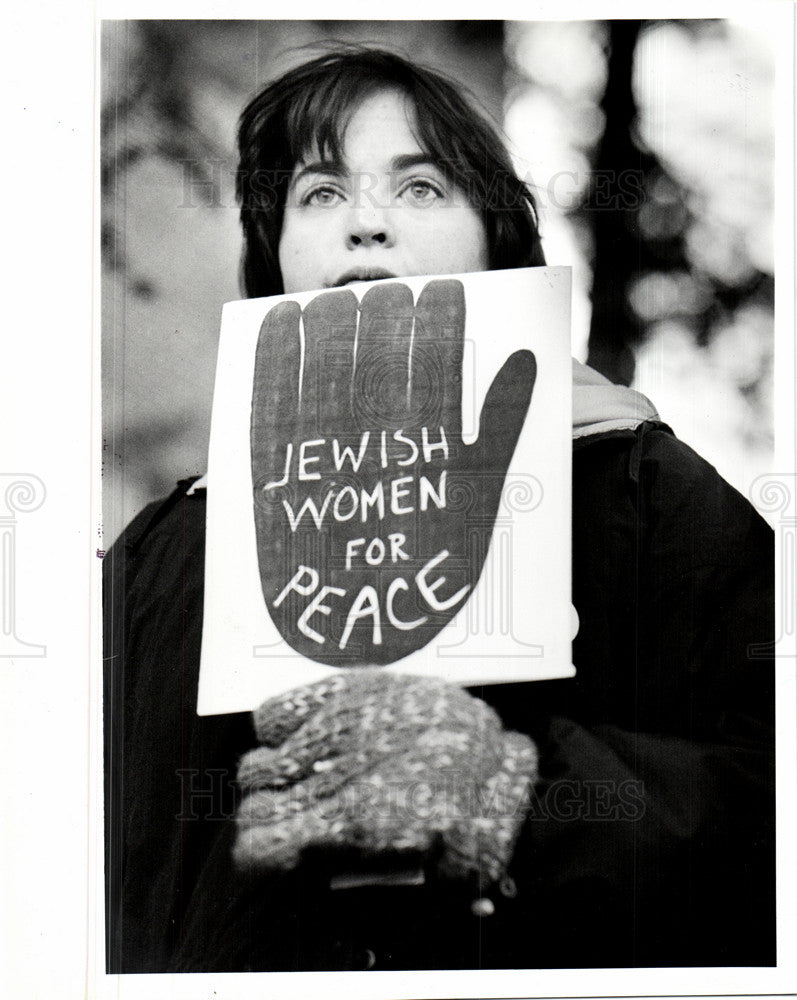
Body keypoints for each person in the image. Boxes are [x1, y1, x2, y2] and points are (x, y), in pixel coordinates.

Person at [104, 47, 775, 974]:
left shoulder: (644, 494)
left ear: (498, 245)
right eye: (321, 195)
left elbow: (765, 811)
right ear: (276, 261)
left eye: (420, 190)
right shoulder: (161, 556)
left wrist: (515, 798)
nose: (367, 226)